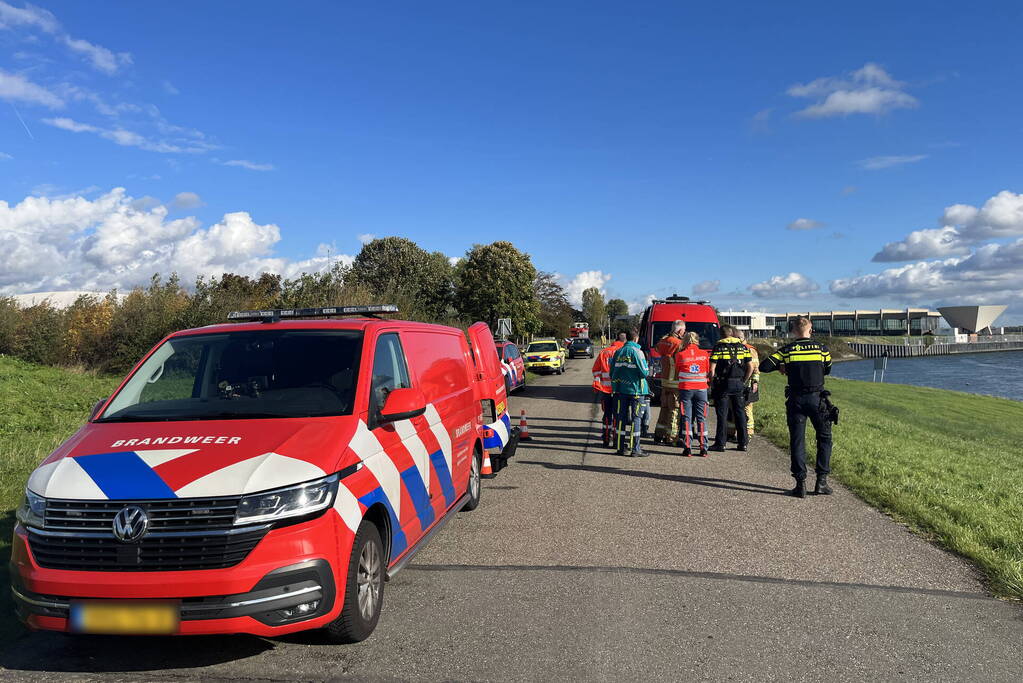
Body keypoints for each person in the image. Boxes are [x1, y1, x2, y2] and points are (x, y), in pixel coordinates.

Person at [759, 317, 833, 498]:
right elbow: (827, 369)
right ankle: (821, 482)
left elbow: (764, 366)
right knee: (824, 439)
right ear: (811, 329)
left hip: (796, 399)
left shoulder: (787, 350)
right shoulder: (822, 349)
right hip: (818, 399)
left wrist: (782, 367)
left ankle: (800, 484)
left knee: (797, 441)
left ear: (793, 331)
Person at [708, 325, 753, 452]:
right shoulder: (743, 347)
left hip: (723, 385)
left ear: (721, 335)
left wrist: (711, 383)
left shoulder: (719, 347)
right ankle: (743, 443)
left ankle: (720, 444)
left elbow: (711, 370)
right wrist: (744, 380)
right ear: (732, 334)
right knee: (740, 413)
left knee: (722, 414)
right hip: (738, 384)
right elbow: (750, 366)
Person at [610, 329, 650, 457]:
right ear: (636, 338)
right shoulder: (638, 352)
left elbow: (612, 372)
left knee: (621, 418)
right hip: (636, 391)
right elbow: (645, 372)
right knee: (636, 418)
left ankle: (620, 447)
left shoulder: (618, 352)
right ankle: (635, 448)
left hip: (621, 390)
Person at [673, 331, 710, 457]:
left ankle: (687, 447)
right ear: (697, 340)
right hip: (701, 389)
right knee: (701, 418)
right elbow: (707, 370)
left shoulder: (680, 355)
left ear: (685, 341)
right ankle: (703, 448)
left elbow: (677, 371)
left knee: (687, 418)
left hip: (686, 389)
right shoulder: (704, 354)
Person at [653, 320, 686, 445]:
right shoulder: (679, 344)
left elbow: (657, 348)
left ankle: (658, 435)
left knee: (664, 409)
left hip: (664, 382)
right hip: (675, 383)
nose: (685, 333)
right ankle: (672, 438)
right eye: (684, 330)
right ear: (679, 331)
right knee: (674, 411)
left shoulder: (663, 341)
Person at [592, 332, 626, 447]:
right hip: (619, 390)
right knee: (618, 415)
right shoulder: (624, 352)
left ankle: (606, 438)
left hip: (605, 389)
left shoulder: (604, 352)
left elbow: (595, 370)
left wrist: (599, 382)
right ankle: (617, 440)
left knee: (607, 414)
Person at [730, 329, 760, 442]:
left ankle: (748, 433)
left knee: (747, 408)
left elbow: (755, 368)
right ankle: (731, 433)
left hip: (747, 383)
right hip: (738, 382)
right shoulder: (736, 348)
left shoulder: (749, 349)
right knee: (733, 408)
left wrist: (754, 382)